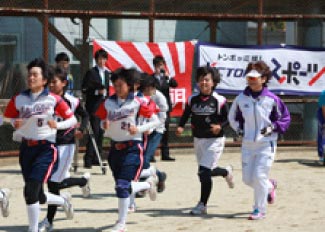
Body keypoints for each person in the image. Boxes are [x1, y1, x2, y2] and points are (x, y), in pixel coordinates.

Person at [3, 58, 77, 232]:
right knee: (38, 194)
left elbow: (72, 120)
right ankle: (63, 200)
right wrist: (15, 122)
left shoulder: (54, 99)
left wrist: (57, 125)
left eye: (35, 74)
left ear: (44, 80)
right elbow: (8, 117)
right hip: (26, 148)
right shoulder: (19, 99)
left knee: (31, 190)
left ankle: (33, 229)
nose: (30, 78)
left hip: (46, 149)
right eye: (29, 74)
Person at [96, 68, 161, 232]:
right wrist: (104, 125)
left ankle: (121, 223)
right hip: (114, 149)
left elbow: (155, 122)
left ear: (131, 85)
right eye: (115, 85)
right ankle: (147, 184)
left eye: (121, 85)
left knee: (122, 186)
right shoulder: (108, 102)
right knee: (121, 186)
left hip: (133, 147)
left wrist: (139, 129)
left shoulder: (139, 102)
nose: (117, 88)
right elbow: (101, 121)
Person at [228, 61, 290, 220]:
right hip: (248, 144)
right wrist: (239, 129)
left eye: (255, 77)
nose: (251, 80)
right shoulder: (241, 99)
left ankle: (259, 210)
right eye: (249, 77)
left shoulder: (272, 99)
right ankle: (270, 186)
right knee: (248, 179)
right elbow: (233, 117)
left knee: (259, 176)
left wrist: (272, 128)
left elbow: (285, 118)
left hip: (266, 144)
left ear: (263, 79)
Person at [176, 66, 234, 215]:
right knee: (207, 171)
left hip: (214, 140)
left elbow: (229, 119)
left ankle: (202, 204)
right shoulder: (192, 99)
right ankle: (226, 172)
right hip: (198, 139)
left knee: (203, 172)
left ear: (213, 82)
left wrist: (220, 126)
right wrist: (181, 126)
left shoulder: (219, 100)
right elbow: (186, 114)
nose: (203, 82)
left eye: (207, 79)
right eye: (201, 79)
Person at [38, 66, 91, 232]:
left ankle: (49, 220)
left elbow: (85, 115)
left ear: (64, 83)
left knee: (53, 184)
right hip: (47, 144)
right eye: (50, 82)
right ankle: (82, 181)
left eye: (55, 82)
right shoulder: (44, 99)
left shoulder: (71, 101)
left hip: (65, 145)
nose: (52, 86)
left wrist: (82, 129)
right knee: (51, 182)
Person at [81, 49, 110, 168]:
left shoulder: (107, 73)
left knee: (101, 132)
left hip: (103, 105)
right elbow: (85, 88)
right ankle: (88, 158)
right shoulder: (91, 72)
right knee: (94, 131)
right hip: (94, 105)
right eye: (99, 59)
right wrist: (97, 91)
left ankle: (96, 157)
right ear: (96, 60)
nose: (102, 61)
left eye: (104, 59)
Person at [152, 55, 178, 161]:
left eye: (161, 65)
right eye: (158, 65)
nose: (160, 67)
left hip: (165, 108)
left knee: (165, 130)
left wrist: (168, 77)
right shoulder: (151, 78)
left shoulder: (166, 78)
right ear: (154, 66)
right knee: (153, 130)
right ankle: (151, 154)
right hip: (154, 108)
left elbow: (175, 84)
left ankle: (165, 154)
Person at [317, 90, 325, 162]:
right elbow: (324, 109)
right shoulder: (323, 94)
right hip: (322, 114)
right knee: (322, 133)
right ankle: (321, 155)